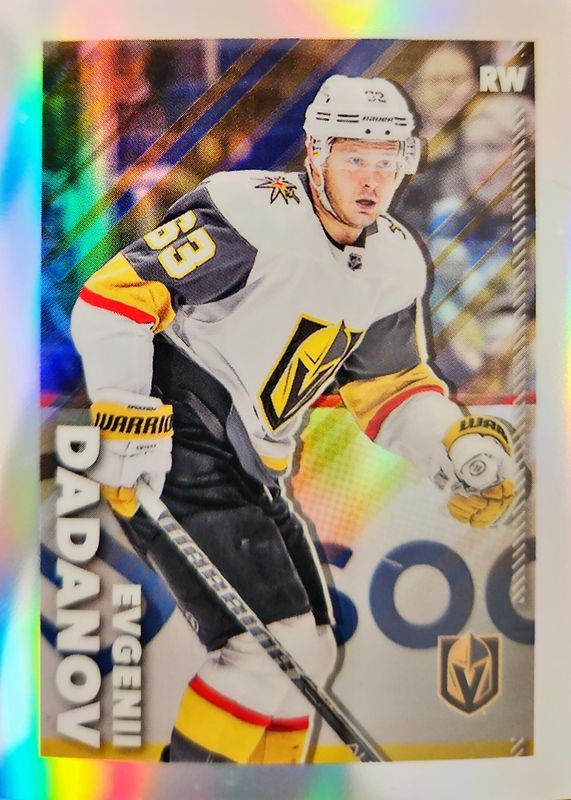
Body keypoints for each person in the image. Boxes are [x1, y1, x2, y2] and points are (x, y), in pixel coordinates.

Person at [70, 75, 516, 764]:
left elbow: (391, 388)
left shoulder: (394, 262)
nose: (370, 179)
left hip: (252, 468)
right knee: (264, 652)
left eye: (386, 159)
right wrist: (127, 417)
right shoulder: (252, 213)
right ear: (314, 153)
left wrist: (454, 448)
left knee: (310, 653)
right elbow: (114, 298)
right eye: (353, 157)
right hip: (181, 443)